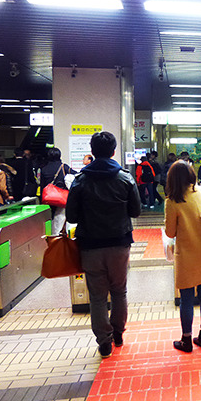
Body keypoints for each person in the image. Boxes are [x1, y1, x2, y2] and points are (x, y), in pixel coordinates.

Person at [66, 131, 142, 358]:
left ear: (92, 151)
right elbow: (135, 211)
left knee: (97, 296)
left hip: (90, 245)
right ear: (113, 151)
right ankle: (118, 333)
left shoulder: (80, 180)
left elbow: (71, 216)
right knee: (119, 290)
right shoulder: (125, 178)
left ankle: (104, 342)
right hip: (119, 243)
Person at [164, 161, 201, 352]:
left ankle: (186, 340)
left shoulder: (172, 201)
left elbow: (170, 233)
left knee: (186, 299)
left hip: (186, 255)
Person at [40, 147, 76, 234]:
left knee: (50, 220)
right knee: (61, 220)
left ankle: (51, 238)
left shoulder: (44, 169)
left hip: (49, 199)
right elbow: (76, 175)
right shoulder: (64, 167)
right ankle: (61, 237)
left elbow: (42, 186)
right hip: (61, 199)